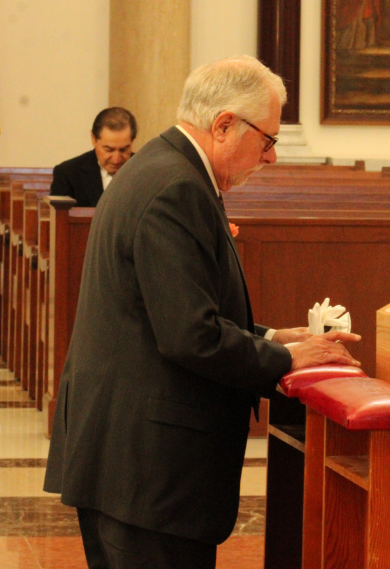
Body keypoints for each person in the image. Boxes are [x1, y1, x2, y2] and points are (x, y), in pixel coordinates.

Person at [43, 55, 361, 569]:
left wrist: (276, 336)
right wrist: (290, 360)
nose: (272, 157)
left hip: (128, 460)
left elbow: (169, 308)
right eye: (269, 140)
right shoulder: (176, 187)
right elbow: (189, 335)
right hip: (150, 471)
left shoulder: (161, 168)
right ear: (224, 125)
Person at [50, 107, 137, 207]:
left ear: (132, 142)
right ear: (93, 139)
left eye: (124, 150)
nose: (116, 160)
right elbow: (60, 219)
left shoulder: (146, 171)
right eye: (109, 149)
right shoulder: (68, 174)